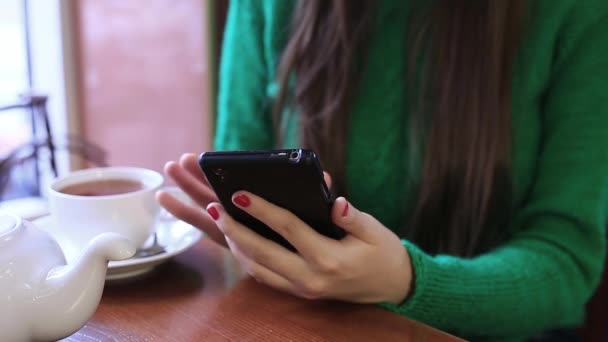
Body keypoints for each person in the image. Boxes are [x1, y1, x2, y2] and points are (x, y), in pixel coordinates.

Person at [157, 1, 608, 341]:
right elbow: (239, 170)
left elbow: (565, 262)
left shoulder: (575, 14)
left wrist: (409, 282)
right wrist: (250, 235)